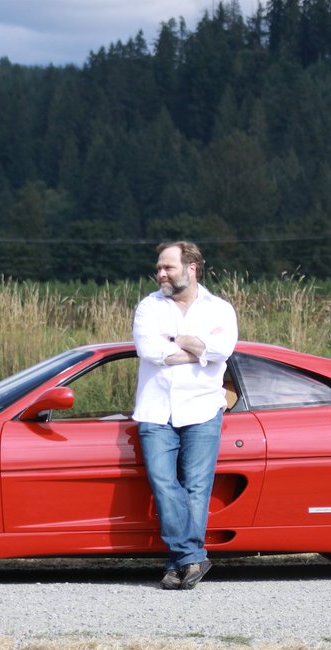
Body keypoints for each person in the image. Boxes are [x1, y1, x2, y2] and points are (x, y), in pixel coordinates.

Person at [132, 241, 238, 590]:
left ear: (191, 268)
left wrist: (175, 340)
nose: (160, 273)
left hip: (203, 408)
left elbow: (224, 350)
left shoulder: (219, 309)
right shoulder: (149, 307)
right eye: (159, 268)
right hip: (156, 410)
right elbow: (149, 350)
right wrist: (199, 350)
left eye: (168, 268)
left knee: (196, 487)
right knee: (164, 486)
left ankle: (179, 563)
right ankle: (192, 558)